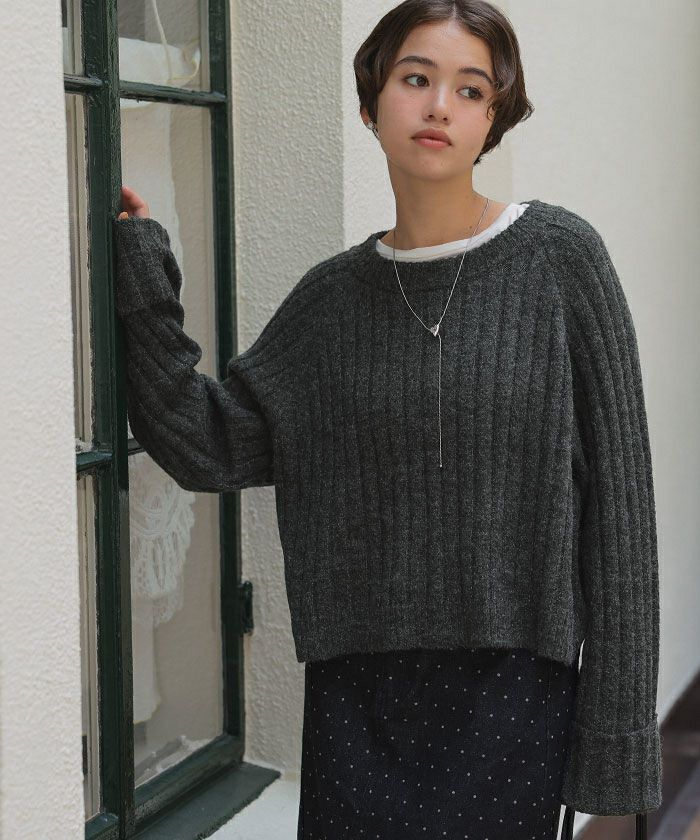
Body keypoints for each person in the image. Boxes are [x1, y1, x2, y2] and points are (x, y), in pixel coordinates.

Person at [113, 1, 662, 837]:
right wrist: (142, 274)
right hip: (358, 702)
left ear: (493, 120)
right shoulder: (331, 301)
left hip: (515, 700)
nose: (440, 106)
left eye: (470, 90)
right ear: (371, 103)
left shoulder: (561, 260)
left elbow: (622, 520)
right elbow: (207, 442)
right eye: (416, 78)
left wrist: (616, 761)